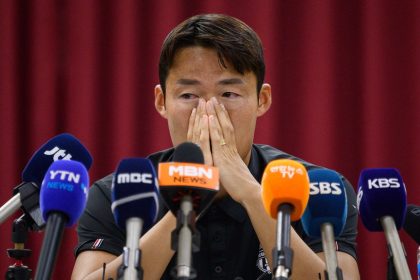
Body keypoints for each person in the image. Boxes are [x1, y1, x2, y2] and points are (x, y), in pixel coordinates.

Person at [72, 14, 360, 280]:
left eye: (229, 93)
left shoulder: (317, 188)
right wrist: (187, 201)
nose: (209, 111)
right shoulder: (121, 193)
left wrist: (251, 193)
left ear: (262, 100)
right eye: (189, 95)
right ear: (161, 102)